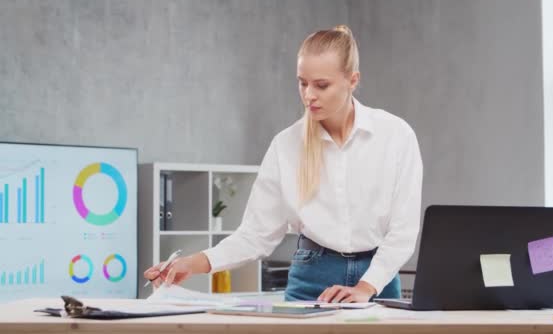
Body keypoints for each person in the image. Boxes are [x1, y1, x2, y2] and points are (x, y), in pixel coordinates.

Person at [144, 25, 423, 303]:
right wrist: (191, 264)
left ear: (352, 80)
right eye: (303, 82)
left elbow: (403, 231)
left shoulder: (395, 135)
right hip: (312, 280)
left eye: (321, 85)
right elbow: (255, 235)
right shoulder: (286, 146)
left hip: (378, 282)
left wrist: (366, 286)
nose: (308, 95)